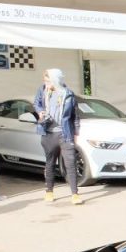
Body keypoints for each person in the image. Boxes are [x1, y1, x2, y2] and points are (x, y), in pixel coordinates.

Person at [37, 68, 82, 205]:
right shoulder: (43, 91)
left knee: (70, 163)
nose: (46, 83)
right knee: (50, 163)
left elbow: (75, 116)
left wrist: (76, 133)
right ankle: (49, 191)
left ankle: (75, 194)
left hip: (65, 133)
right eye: (45, 81)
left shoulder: (68, 94)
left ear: (56, 80)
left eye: (48, 81)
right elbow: (36, 103)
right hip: (49, 133)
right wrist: (40, 112)